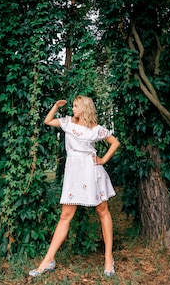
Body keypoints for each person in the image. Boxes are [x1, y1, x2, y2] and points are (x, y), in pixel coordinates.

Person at [29, 95, 121, 278]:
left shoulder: (96, 130)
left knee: (103, 212)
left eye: (76, 106)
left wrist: (103, 159)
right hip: (74, 172)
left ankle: (108, 258)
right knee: (65, 215)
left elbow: (115, 143)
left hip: (92, 171)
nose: (72, 108)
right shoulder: (68, 123)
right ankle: (48, 261)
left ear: (85, 108)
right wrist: (55, 106)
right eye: (72, 106)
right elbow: (47, 121)